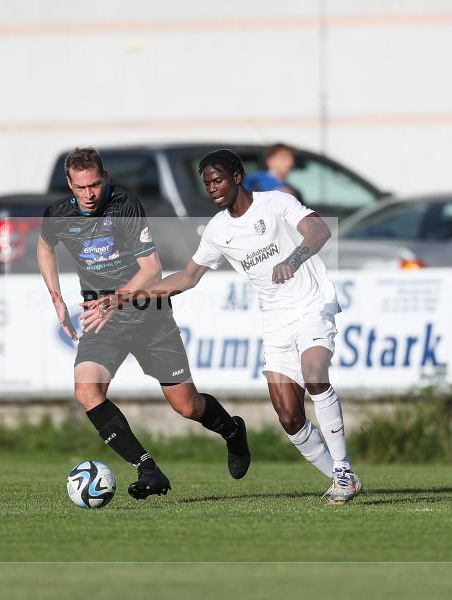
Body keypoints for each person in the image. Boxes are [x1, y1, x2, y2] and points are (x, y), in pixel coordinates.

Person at [89, 148, 361, 504]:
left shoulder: (276, 204)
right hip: (276, 320)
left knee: (314, 374)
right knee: (289, 416)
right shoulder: (218, 230)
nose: (212, 189)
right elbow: (187, 277)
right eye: (206, 184)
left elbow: (318, 231)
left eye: (217, 180)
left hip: (312, 304)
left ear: (236, 176)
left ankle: (342, 470)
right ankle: (344, 479)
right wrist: (124, 297)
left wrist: (293, 260)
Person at [38, 147, 251, 501]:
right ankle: (147, 467)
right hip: (103, 319)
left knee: (186, 405)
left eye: (94, 185)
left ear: (104, 178)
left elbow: (151, 269)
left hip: (147, 316)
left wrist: (114, 299)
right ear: (69, 185)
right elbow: (45, 246)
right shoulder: (58, 214)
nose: (89, 195)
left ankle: (231, 430)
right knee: (86, 391)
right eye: (80, 188)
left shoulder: (125, 207)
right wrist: (57, 299)